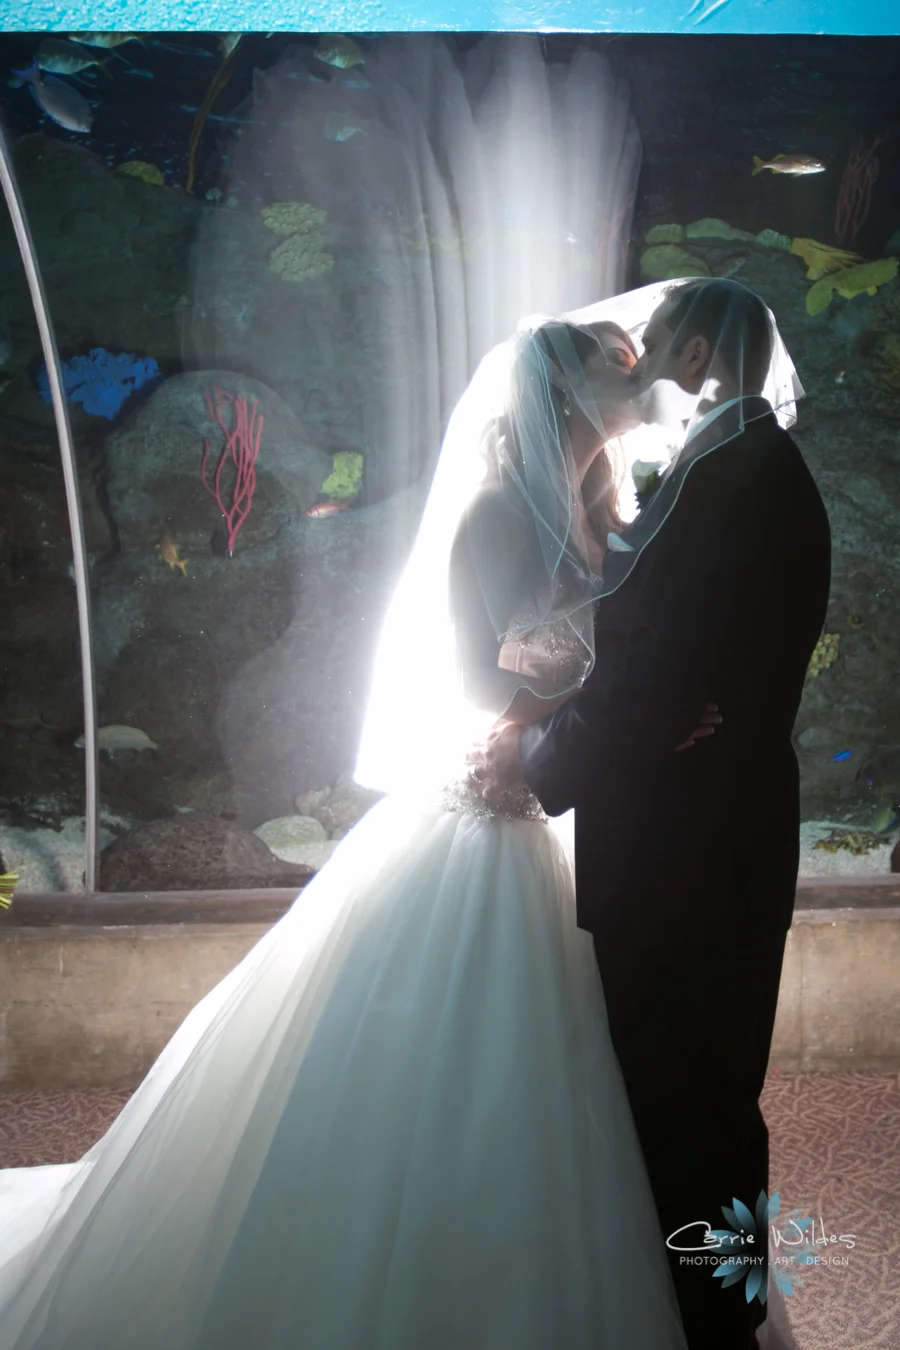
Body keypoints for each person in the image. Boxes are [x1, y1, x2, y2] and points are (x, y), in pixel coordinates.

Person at [0, 317, 707, 1350]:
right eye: (620, 363)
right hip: (489, 812)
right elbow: (475, 678)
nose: (640, 376)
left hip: (565, 801)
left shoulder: (604, 504)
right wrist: (620, 705)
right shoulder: (497, 511)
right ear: (561, 390)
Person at [471, 278, 832, 1350]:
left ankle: (714, 1326)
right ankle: (713, 1313)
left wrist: (536, 761)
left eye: (659, 348)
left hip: (690, 852)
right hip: (706, 841)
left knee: (694, 1109)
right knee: (701, 1103)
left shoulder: (736, 478)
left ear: (699, 354)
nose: (648, 370)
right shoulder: (736, 467)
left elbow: (661, 681)